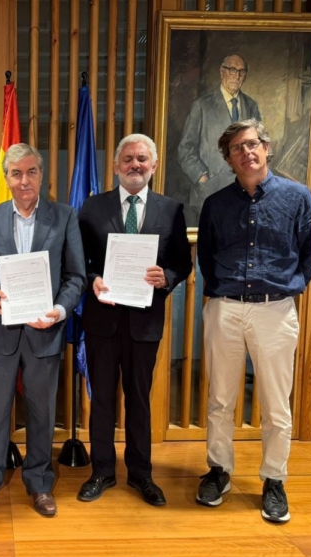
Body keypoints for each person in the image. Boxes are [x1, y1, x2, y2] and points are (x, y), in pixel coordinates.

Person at [195, 119, 311, 524]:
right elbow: (207, 255)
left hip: (275, 310)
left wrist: (288, 285)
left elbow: (310, 251)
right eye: (236, 148)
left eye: (252, 144)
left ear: (266, 148)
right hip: (225, 308)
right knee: (220, 399)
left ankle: (274, 479)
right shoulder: (216, 204)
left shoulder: (297, 197)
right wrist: (223, 292)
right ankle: (219, 470)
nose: (246, 152)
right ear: (228, 158)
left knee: (276, 403)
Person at [0, 143, 86, 518]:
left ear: (41, 176)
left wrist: (59, 311)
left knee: (42, 414)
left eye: (31, 172)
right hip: (1, 332)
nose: (24, 180)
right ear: (7, 178)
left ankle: (39, 483)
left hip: (45, 331)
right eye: (16, 173)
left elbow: (75, 275)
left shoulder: (65, 217)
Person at [77, 134, 192, 507]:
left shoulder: (170, 210)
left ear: (154, 166)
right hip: (102, 320)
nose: (135, 165)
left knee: (139, 401)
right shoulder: (92, 208)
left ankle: (141, 474)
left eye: (142, 159)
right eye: (127, 159)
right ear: (115, 166)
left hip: (145, 322)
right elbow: (79, 260)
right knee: (102, 400)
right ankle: (102, 471)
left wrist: (166, 277)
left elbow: (182, 262)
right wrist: (92, 279)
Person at [178, 54, 262, 220]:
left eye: (242, 72)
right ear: (222, 72)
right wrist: (202, 178)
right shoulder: (202, 105)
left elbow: (258, 146)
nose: (237, 76)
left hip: (244, 194)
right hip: (210, 192)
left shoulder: (251, 105)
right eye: (232, 70)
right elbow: (185, 149)